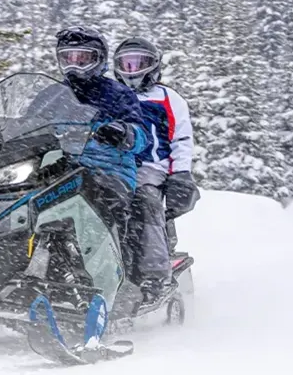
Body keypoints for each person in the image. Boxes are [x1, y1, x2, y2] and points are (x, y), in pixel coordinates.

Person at [112, 37, 200, 303]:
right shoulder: (111, 96)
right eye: (126, 64)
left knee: (144, 200)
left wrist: (181, 174)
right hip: (112, 166)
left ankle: (154, 274)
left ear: (153, 66)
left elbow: (181, 139)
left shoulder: (167, 98)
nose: (132, 71)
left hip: (150, 167)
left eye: (139, 63)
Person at [51, 26, 151, 236]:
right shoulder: (51, 95)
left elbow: (141, 135)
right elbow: (29, 123)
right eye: (68, 59)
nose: (74, 66)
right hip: (59, 167)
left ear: (99, 60)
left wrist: (124, 132)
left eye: (83, 59)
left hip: (107, 169)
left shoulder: (118, 94)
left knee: (100, 200)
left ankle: (114, 247)